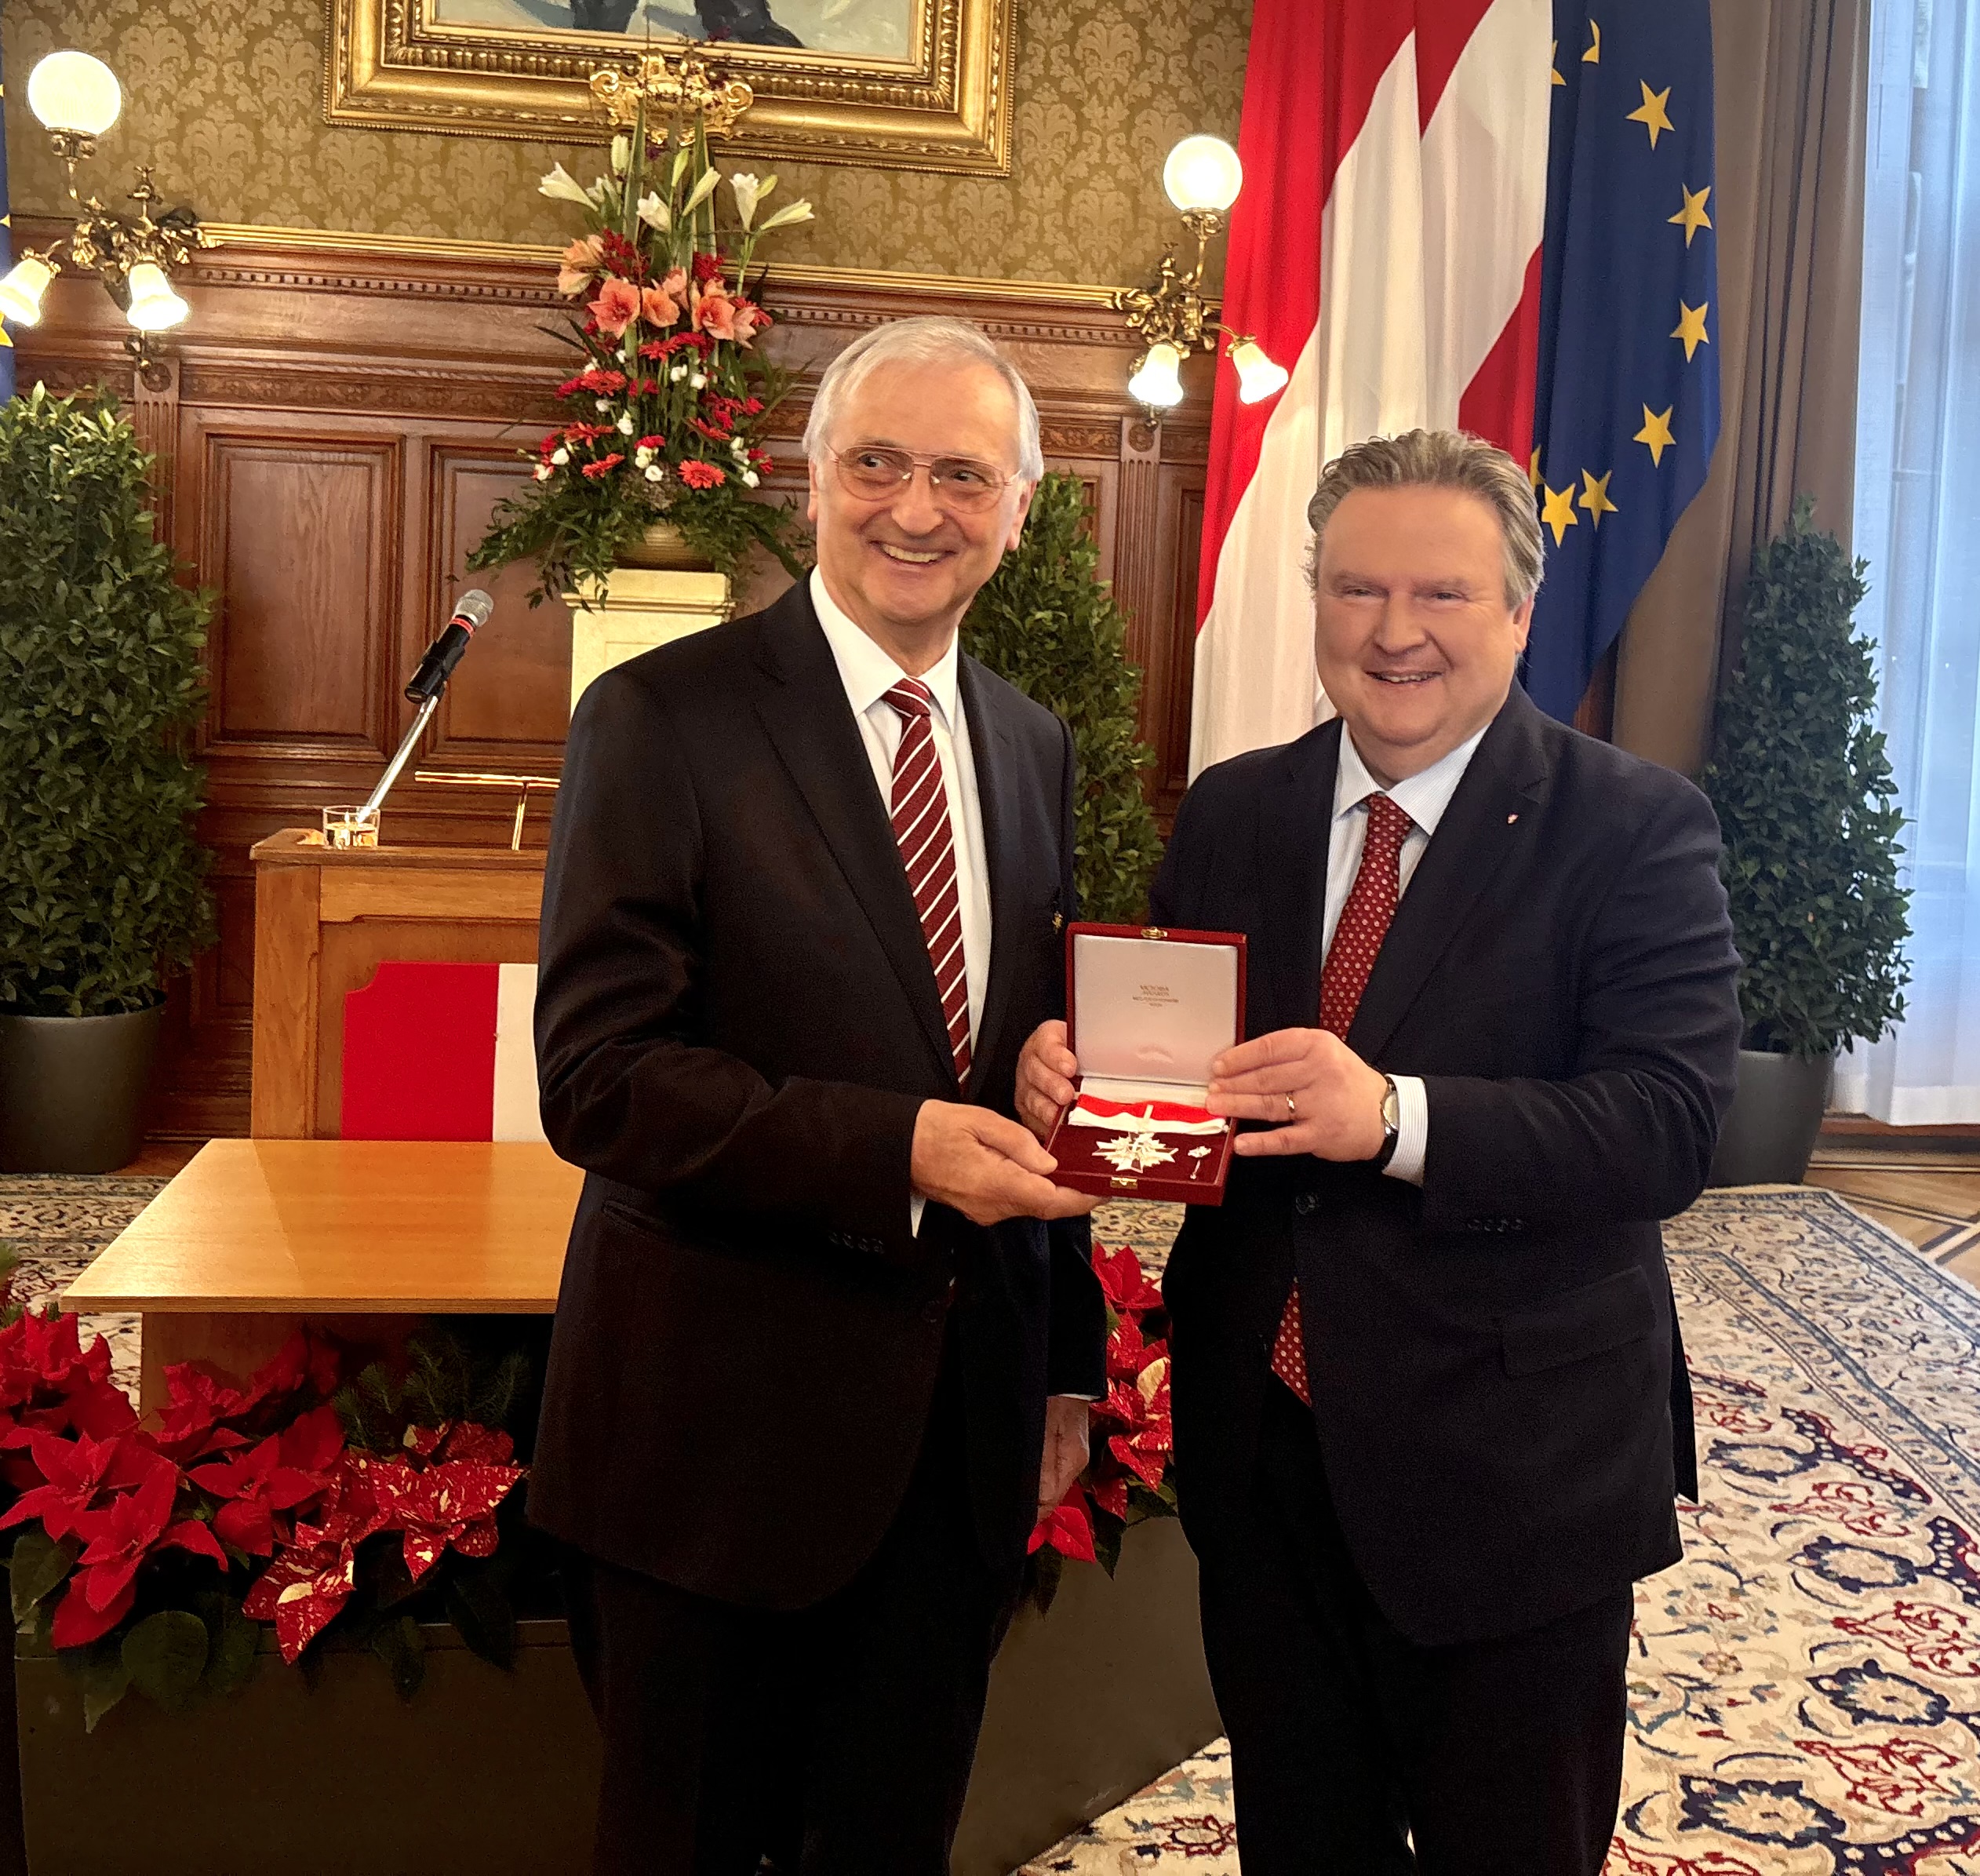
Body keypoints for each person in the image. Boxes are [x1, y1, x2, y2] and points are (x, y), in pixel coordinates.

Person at [1017, 428, 1743, 1874]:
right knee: (1302, 1837)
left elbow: (1668, 1125)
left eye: (1442, 595)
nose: (1393, 632)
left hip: (1514, 1472)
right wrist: (1074, 1077)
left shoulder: (1636, 828)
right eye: (1355, 591)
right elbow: (1177, 1079)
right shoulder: (1237, 808)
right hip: (1263, 1455)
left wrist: (1398, 1118)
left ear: (1521, 614)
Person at [533, 315, 1104, 1875]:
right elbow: (598, 1077)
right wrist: (895, 1148)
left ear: (1020, 508)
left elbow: (1013, 1054)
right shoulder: (663, 721)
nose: (914, 508)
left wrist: (1063, 1353)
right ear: (809, 477)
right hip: (717, 1436)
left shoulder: (1026, 744)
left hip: (958, 1433)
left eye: (961, 475)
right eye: (875, 462)